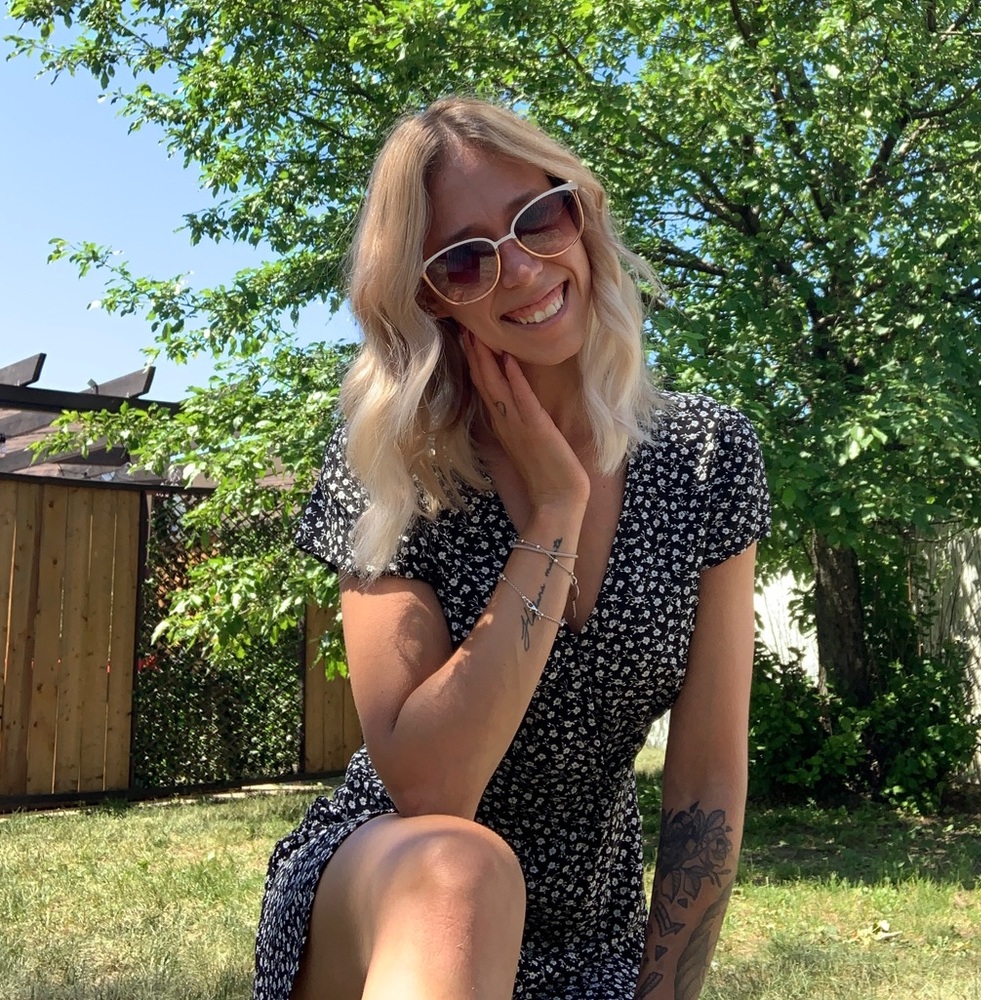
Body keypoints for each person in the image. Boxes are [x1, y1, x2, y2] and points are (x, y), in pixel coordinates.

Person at [254, 96, 770, 1000]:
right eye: (465, 259)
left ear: (581, 213)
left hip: (589, 925)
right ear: (427, 299)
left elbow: (706, 785)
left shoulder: (706, 455)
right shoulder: (395, 465)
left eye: (539, 216)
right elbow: (431, 788)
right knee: (463, 869)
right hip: (396, 883)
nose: (523, 269)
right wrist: (555, 515)